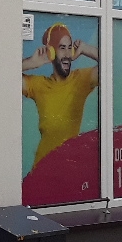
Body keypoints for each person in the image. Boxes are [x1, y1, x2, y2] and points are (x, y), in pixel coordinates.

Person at [22, 22, 99, 168]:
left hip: (69, 168)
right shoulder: (39, 85)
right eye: (62, 48)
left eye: (70, 48)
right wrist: (31, 63)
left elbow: (110, 66)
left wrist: (85, 48)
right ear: (51, 52)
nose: (67, 54)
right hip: (43, 167)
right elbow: (5, 78)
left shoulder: (81, 79)